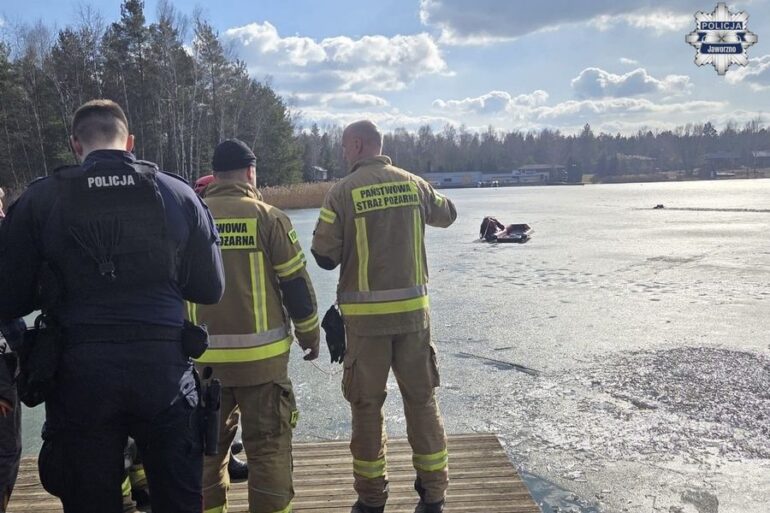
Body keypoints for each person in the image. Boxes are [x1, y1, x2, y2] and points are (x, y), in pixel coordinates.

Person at [0, 99, 225, 513]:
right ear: (131, 142)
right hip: (164, 373)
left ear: (75, 145)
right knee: (179, 500)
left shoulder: (41, 199)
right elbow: (211, 289)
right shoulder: (177, 193)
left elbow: (8, 299)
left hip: (79, 377)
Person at [311, 120, 457, 513]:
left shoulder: (342, 192)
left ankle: (372, 499)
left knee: (366, 407)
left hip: (366, 325)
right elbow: (449, 214)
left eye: (344, 147)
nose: (343, 154)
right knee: (422, 402)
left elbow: (324, 256)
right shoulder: (414, 184)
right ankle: (434, 494)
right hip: (413, 321)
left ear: (358, 145)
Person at [193, 138, 321, 513]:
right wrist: (310, 335)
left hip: (203, 367)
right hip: (262, 368)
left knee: (206, 456)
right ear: (251, 173)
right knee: (268, 455)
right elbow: (296, 286)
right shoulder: (269, 218)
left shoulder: (191, 219)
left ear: (214, 175)